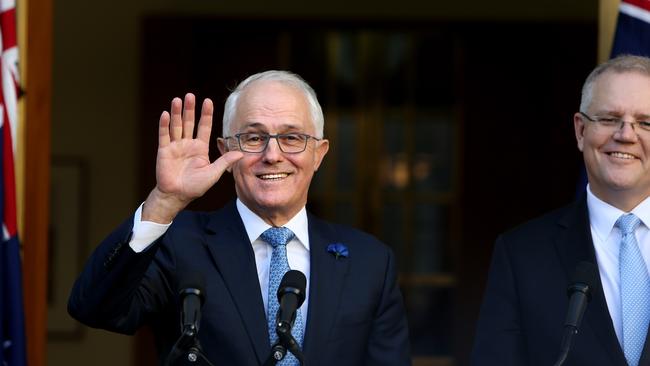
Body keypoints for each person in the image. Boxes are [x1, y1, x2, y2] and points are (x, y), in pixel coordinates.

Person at [68, 70, 411, 366]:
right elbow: (94, 308)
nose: (272, 155)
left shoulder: (371, 263)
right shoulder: (180, 241)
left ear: (318, 154)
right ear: (224, 151)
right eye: (253, 138)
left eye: (292, 138)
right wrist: (165, 200)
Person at [472, 54, 650, 366]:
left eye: (646, 122)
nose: (625, 134)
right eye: (609, 119)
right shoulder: (521, 253)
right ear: (581, 131)